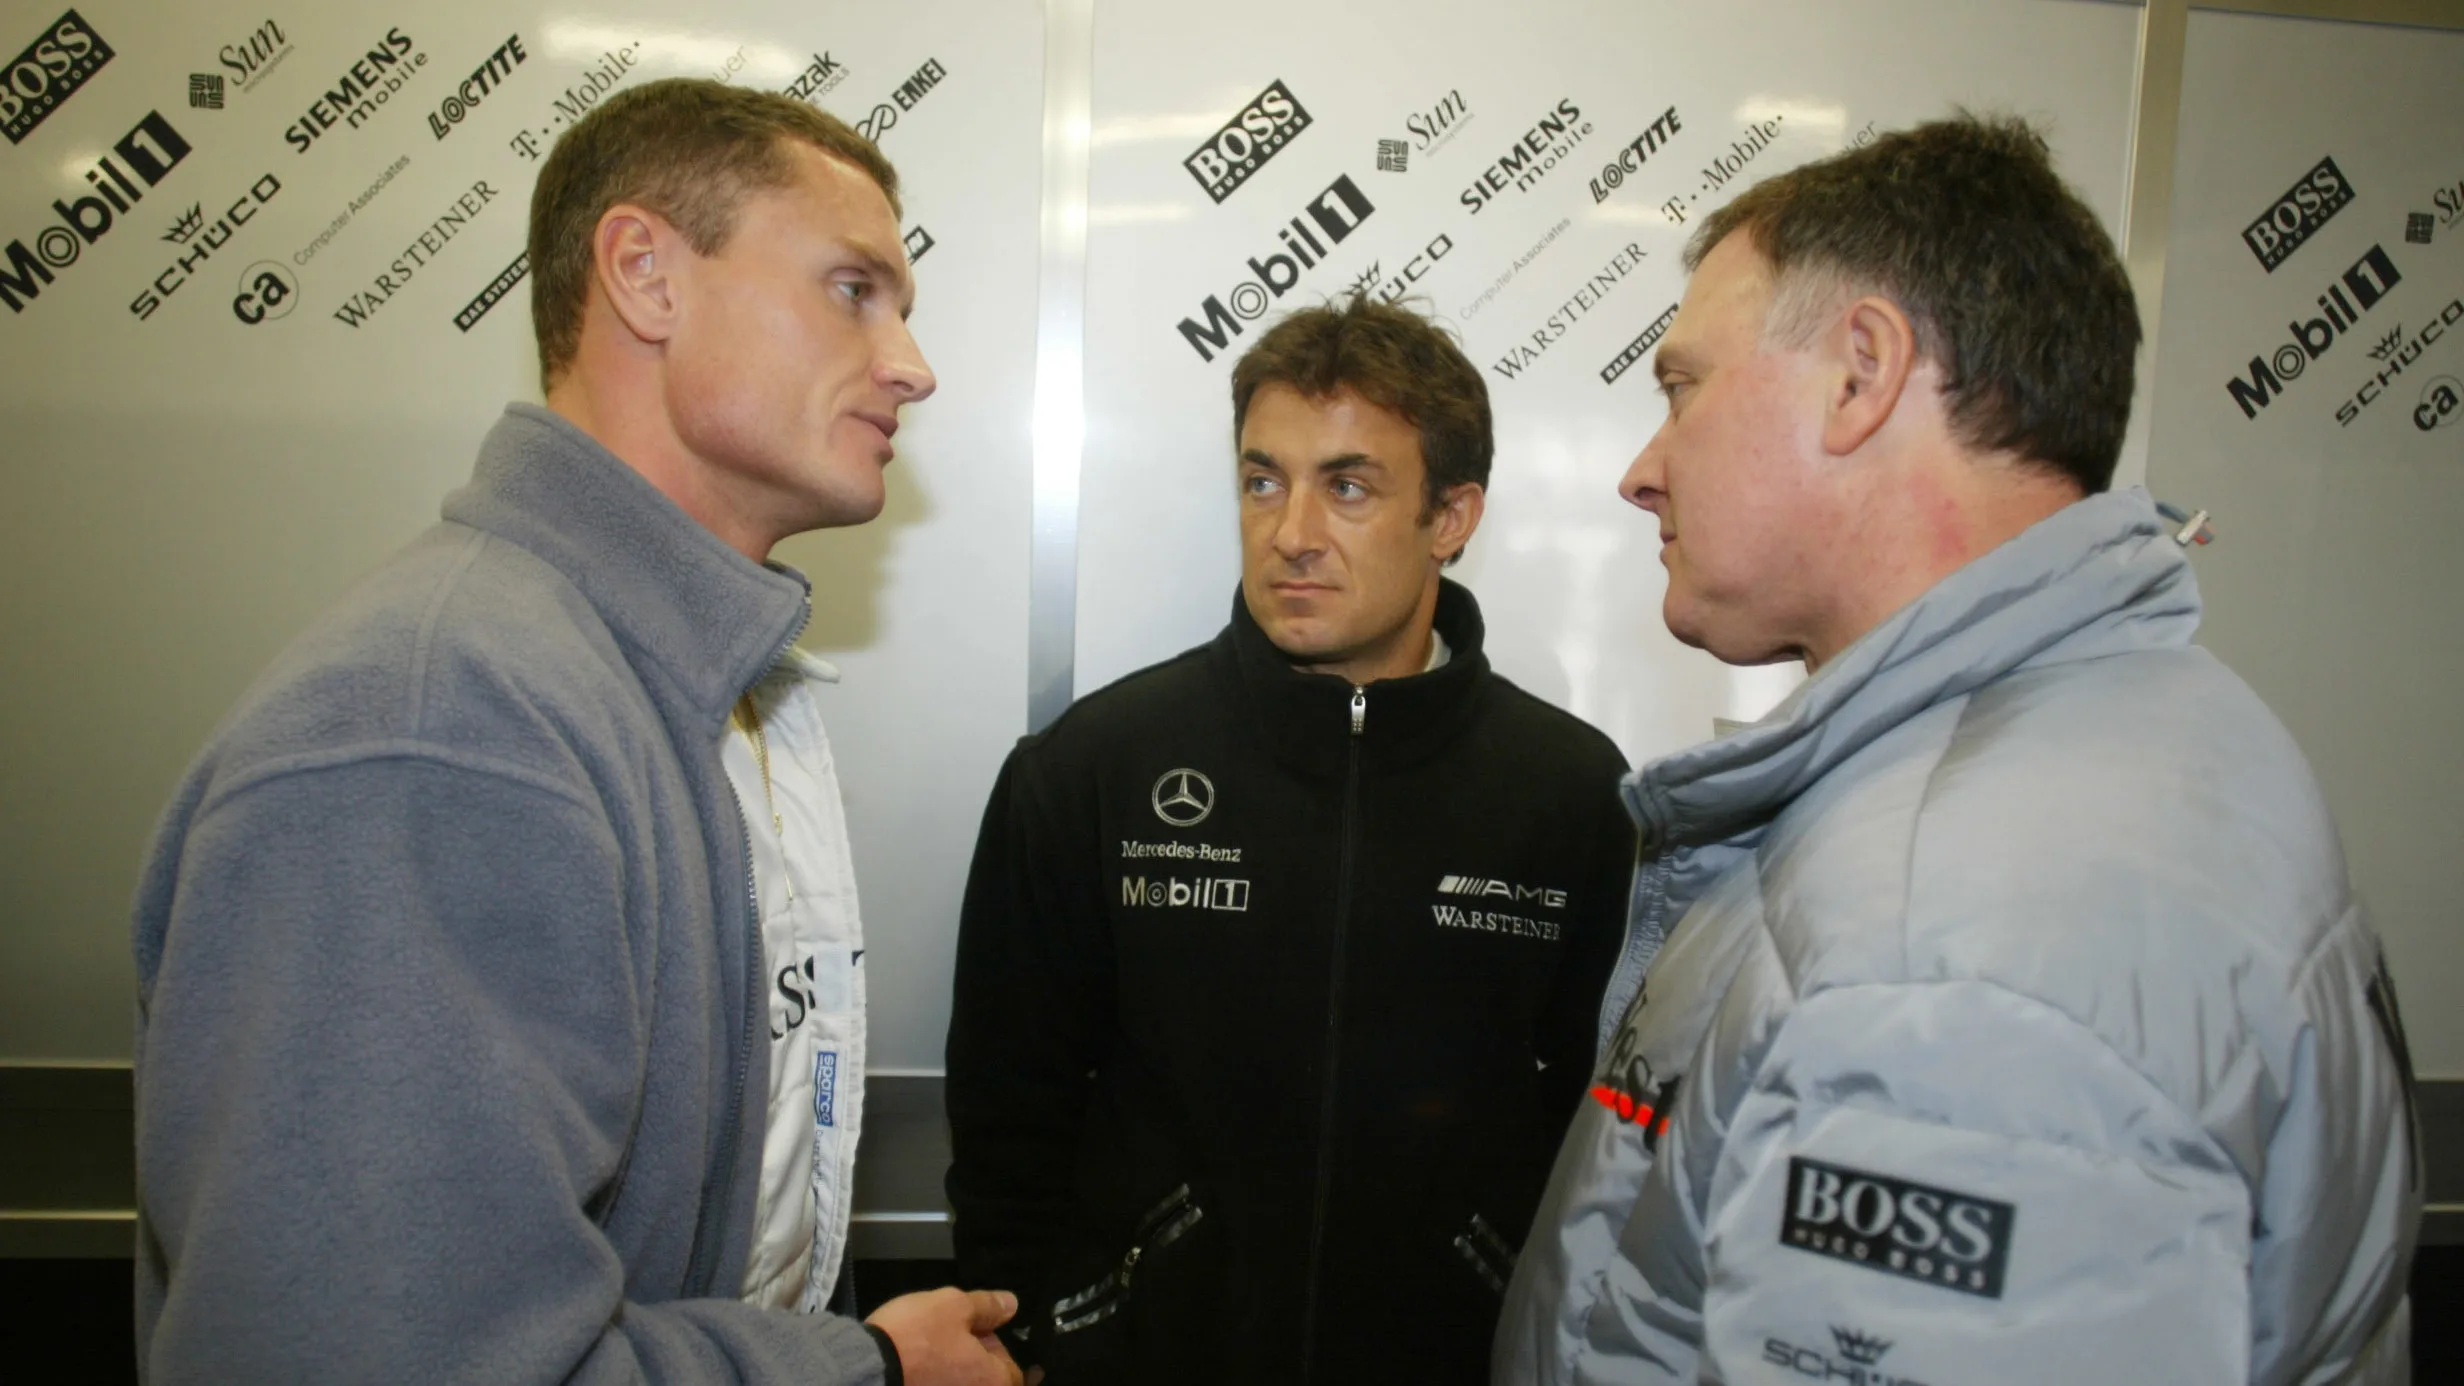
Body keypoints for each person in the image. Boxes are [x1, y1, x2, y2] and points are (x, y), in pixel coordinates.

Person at [1494, 114, 2419, 1386]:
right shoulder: (2111, 740)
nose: (1642, 472)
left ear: (1861, 374)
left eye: (1682, 386)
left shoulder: (1947, 960)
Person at [130, 78, 1021, 1385]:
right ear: (646, 276)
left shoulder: (666, 683)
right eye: (852, 290)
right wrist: (864, 1371)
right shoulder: (445, 729)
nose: (912, 364)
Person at [945, 295, 1637, 1385]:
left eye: (1347, 486)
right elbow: (1006, 1106)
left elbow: (1593, 1119)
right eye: (1262, 480)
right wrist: (1034, 1330)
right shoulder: (1093, 768)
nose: (1290, 532)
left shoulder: (1573, 794)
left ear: (1451, 518)